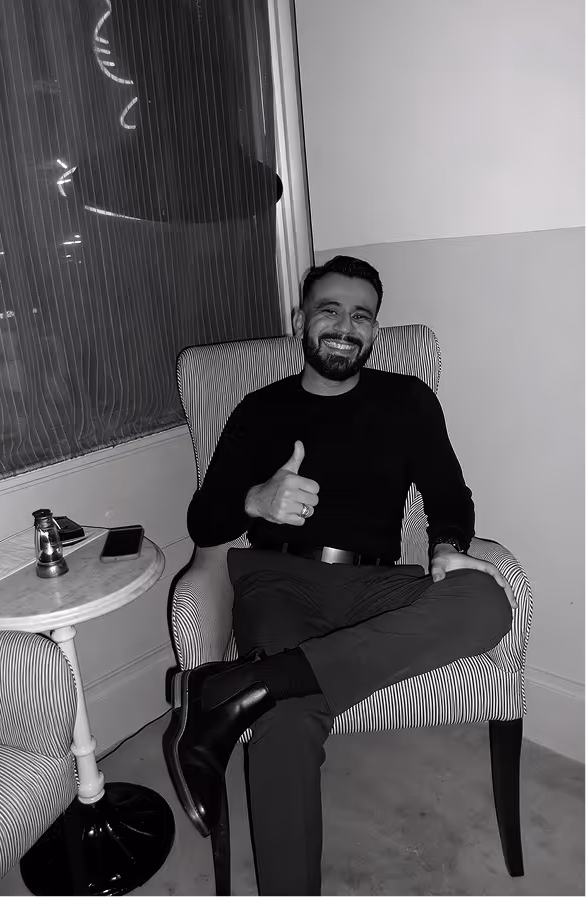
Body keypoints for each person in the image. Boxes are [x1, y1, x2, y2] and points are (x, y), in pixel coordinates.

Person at [163, 256, 515, 897]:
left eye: (361, 316)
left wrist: (447, 549)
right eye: (329, 310)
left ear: (375, 333)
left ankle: (243, 686)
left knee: (487, 601)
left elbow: (449, 494)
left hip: (378, 584)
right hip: (279, 581)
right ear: (302, 320)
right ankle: (268, 691)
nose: (344, 327)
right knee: (287, 723)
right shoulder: (260, 408)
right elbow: (203, 518)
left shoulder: (408, 400)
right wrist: (257, 501)